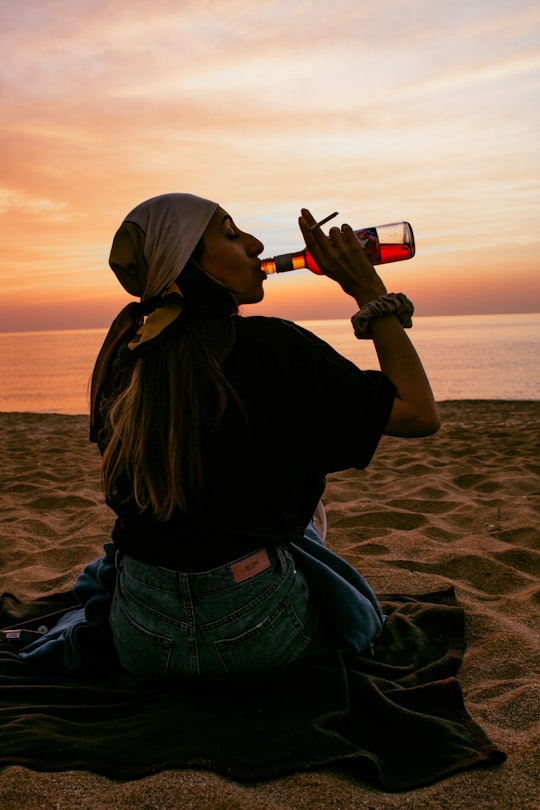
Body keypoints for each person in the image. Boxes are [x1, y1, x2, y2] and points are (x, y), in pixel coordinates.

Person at [89, 193, 440, 679]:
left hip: (140, 639)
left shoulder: (124, 354)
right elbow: (419, 413)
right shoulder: (273, 346)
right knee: (311, 510)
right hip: (257, 634)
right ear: (187, 260)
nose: (256, 245)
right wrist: (368, 290)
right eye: (232, 235)